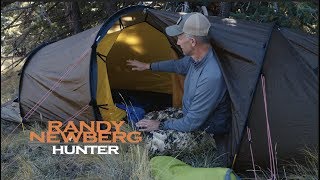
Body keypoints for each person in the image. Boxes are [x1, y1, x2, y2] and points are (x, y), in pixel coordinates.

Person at [127, 13, 231, 165]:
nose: (178, 42)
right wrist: (147, 66)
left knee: (149, 142)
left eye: (180, 37)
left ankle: (207, 149)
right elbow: (176, 65)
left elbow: (191, 124)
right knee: (146, 121)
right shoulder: (195, 58)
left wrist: (160, 125)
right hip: (189, 116)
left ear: (192, 41)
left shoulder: (211, 75)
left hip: (206, 132)